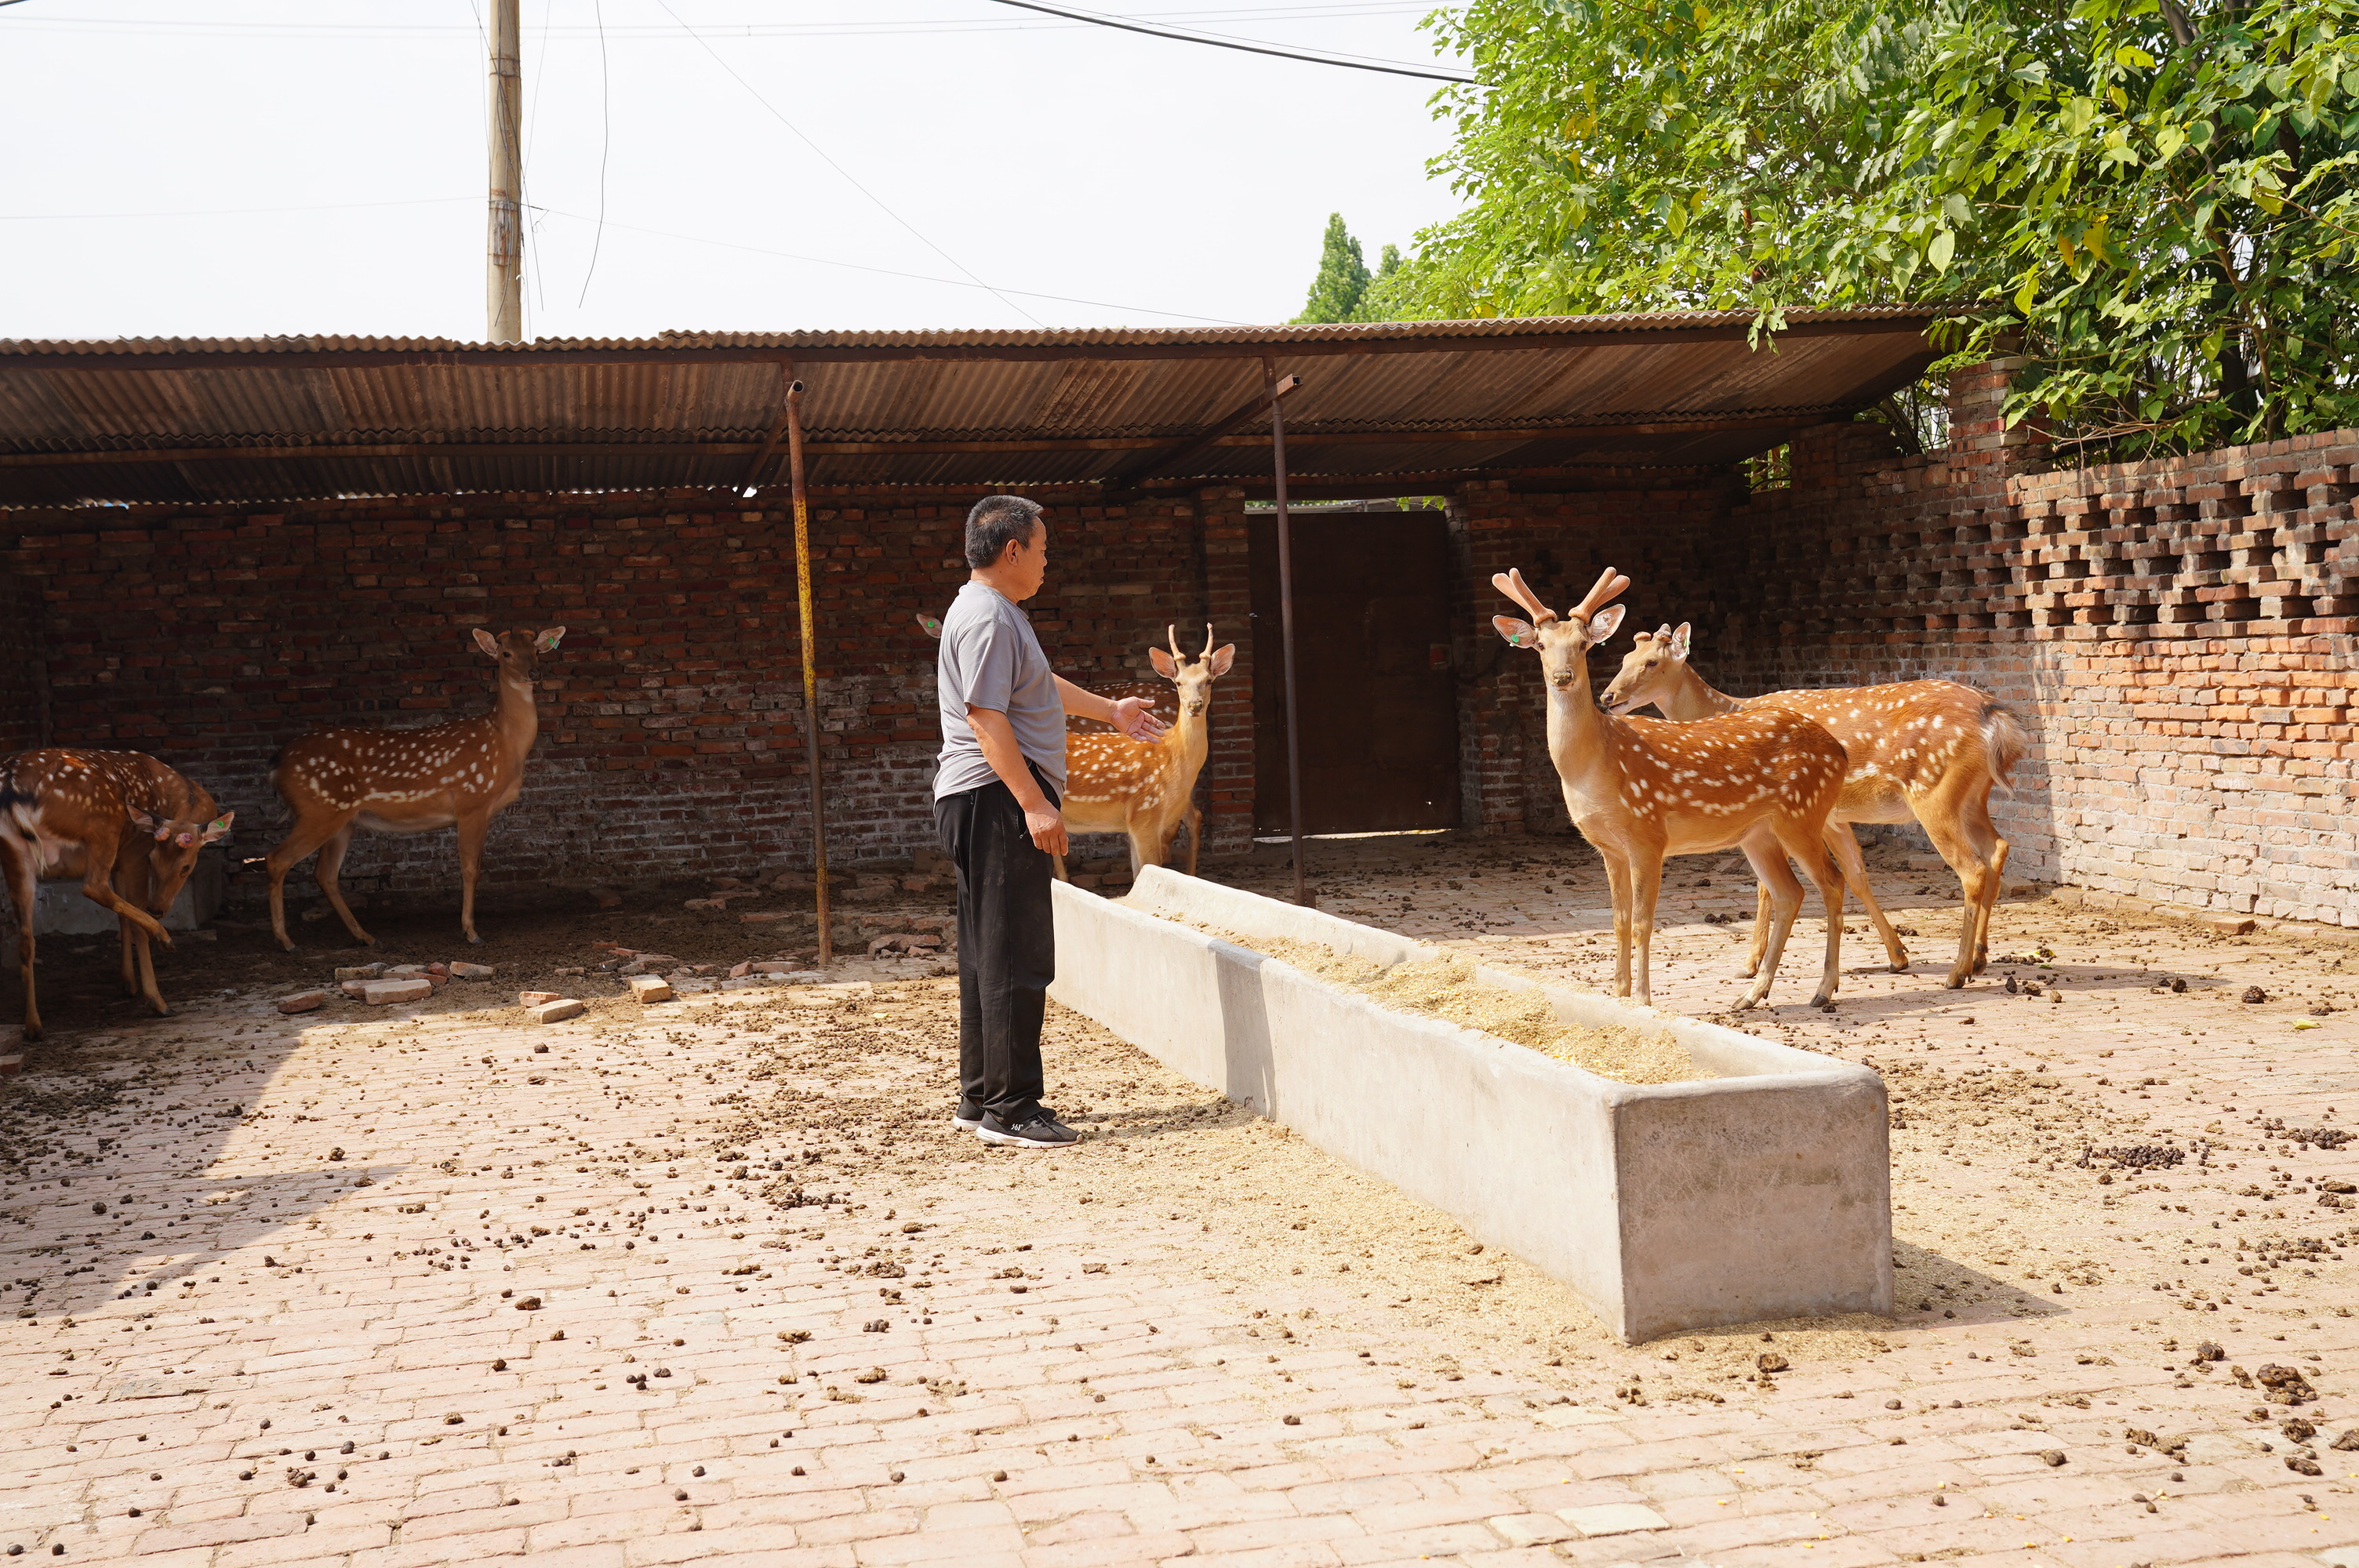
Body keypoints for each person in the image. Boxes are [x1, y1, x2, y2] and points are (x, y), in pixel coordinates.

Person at [933, 494, 1167, 1149]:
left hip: (981, 798)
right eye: (1041, 550)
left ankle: (982, 1099)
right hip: (996, 797)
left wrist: (1108, 710)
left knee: (990, 950)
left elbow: (1035, 685)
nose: (1045, 562)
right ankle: (1013, 1109)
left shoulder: (992, 614)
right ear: (1012, 550)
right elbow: (986, 716)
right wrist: (1034, 803)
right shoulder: (988, 618)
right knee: (1016, 952)